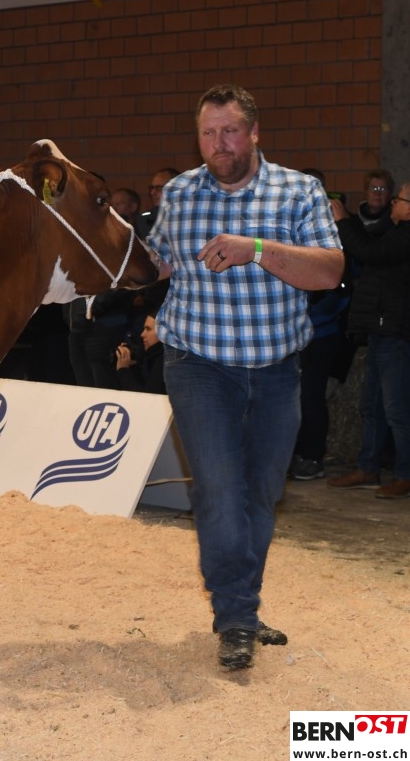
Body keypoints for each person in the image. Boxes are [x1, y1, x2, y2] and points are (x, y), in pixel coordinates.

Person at [147, 83, 343, 671]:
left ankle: (244, 607)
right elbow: (155, 263)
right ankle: (234, 616)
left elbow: (329, 272)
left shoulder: (298, 190)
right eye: (207, 133)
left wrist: (255, 248)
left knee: (262, 493)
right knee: (220, 492)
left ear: (254, 132)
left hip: (278, 370)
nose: (218, 144)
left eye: (229, 131)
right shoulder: (179, 193)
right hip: (198, 365)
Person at [326, 179, 410, 499]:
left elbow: (368, 252)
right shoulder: (393, 230)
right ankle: (368, 467)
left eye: (399, 200)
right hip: (380, 329)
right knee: (371, 405)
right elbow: (368, 241)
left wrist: (343, 221)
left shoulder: (405, 236)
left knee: (397, 409)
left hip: (395, 331)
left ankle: (405, 474)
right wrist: (349, 219)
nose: (393, 203)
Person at [288, 169, 354, 481]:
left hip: (319, 333)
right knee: (288, 397)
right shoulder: (291, 227)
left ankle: (312, 457)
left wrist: (309, 319)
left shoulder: (334, 233)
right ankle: (289, 454)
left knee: (310, 396)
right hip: (289, 333)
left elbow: (341, 290)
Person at [114, 310, 165, 394]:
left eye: (148, 329)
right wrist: (132, 366)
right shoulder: (151, 356)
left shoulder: (165, 360)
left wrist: (123, 370)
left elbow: (148, 397)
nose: (142, 334)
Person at [138, 167, 178, 237]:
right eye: (152, 188)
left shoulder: (188, 216)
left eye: (159, 188)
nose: (152, 193)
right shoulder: (144, 220)